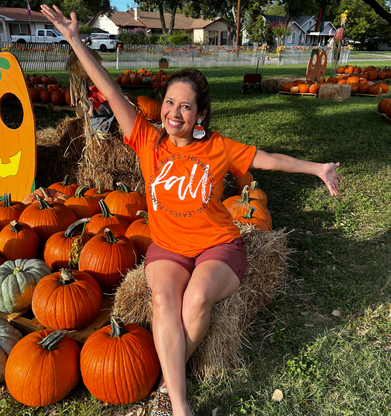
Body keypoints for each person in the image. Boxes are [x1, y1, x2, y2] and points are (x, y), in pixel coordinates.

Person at [40, 6, 342, 416]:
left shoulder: (218, 147)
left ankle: (166, 381)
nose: (173, 113)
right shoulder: (147, 141)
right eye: (168, 103)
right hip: (169, 248)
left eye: (185, 107)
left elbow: (269, 158)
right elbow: (110, 91)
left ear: (200, 115)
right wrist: (76, 40)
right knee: (165, 300)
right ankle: (179, 406)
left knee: (197, 298)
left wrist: (318, 168)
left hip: (219, 246)